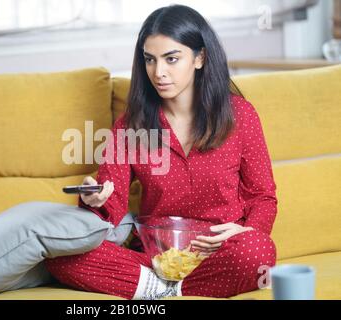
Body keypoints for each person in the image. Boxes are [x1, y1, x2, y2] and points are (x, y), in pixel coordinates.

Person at [44, 4, 277, 300]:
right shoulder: (131, 125)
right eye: (150, 60)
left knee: (259, 253)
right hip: (155, 260)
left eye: (171, 59)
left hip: (221, 254)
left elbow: (263, 196)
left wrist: (248, 232)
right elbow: (110, 210)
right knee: (60, 254)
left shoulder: (240, 115)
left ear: (200, 57)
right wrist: (93, 199)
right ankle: (170, 288)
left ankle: (162, 292)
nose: (159, 72)